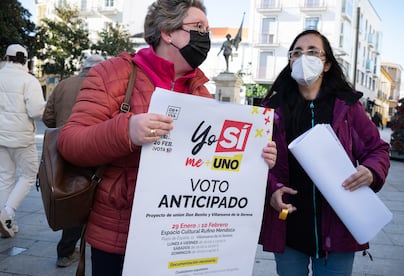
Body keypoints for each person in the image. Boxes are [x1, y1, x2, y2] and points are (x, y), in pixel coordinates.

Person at [57, 0, 277, 275]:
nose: (205, 36)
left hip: (180, 240)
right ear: (167, 32)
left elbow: (214, 162)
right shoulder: (113, 74)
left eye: (207, 29)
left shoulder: (201, 93)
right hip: (119, 235)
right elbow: (71, 143)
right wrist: (126, 131)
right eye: (198, 27)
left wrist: (255, 156)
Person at [259, 30, 390, 276]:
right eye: (296, 53)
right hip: (289, 223)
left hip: (338, 227)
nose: (302, 58)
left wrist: (371, 171)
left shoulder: (348, 107)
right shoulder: (271, 111)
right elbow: (258, 161)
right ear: (289, 61)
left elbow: (377, 149)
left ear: (327, 63)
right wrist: (273, 188)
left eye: (312, 52)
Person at [42, 54, 105, 267]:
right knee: (83, 200)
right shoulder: (102, 85)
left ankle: (68, 248)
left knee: (71, 196)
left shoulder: (63, 84)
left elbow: (47, 118)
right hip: (90, 149)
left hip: (62, 147)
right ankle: (66, 250)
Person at [0, 44, 45, 238]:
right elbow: (36, 111)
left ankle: (6, 222)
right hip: (22, 138)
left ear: (7, 58)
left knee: (5, 177)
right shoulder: (29, 81)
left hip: (1, 137)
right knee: (28, 175)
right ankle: (7, 213)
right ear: (25, 61)